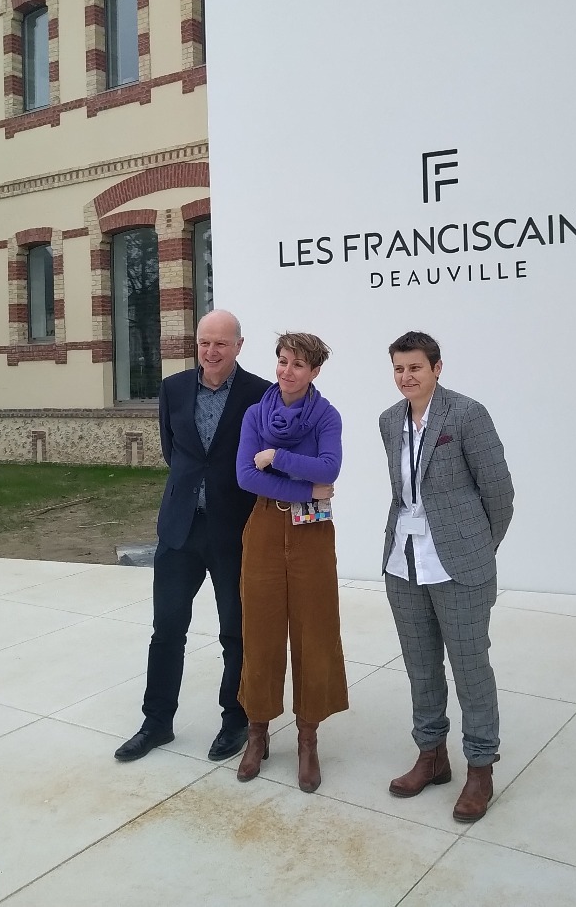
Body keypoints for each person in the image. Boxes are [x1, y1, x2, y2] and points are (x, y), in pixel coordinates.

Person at [114, 309, 271, 764]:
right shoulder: (173, 389)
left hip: (234, 529)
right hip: (180, 529)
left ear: (239, 346)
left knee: (235, 633)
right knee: (166, 630)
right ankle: (156, 722)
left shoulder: (260, 394)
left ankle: (235, 720)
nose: (211, 351)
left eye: (221, 343)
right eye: (204, 342)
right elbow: (174, 452)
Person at [379, 330, 514, 822]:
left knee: (469, 666)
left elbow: (499, 493)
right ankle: (431, 754)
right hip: (404, 562)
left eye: (415, 367)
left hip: (458, 565)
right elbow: (403, 493)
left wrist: (478, 547)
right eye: (399, 368)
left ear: (436, 368)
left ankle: (480, 766)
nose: (406, 377)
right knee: (421, 666)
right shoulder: (389, 421)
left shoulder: (467, 415)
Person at [234, 332, 348, 793]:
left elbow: (330, 468)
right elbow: (245, 476)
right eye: (283, 361)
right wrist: (304, 487)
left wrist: (276, 457)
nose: (287, 371)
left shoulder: (327, 416)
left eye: (298, 364)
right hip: (264, 527)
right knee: (259, 632)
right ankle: (257, 732)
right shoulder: (255, 414)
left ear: (315, 371)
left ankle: (307, 738)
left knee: (314, 632)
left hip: (312, 535)